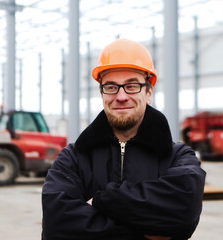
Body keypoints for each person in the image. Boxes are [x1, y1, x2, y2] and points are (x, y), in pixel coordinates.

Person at [42, 38, 206, 240]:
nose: (121, 96)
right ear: (102, 93)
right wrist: (145, 232)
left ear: (149, 93)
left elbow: (184, 212)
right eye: (111, 87)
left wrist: (100, 201)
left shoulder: (178, 156)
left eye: (131, 86)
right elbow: (57, 226)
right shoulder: (74, 157)